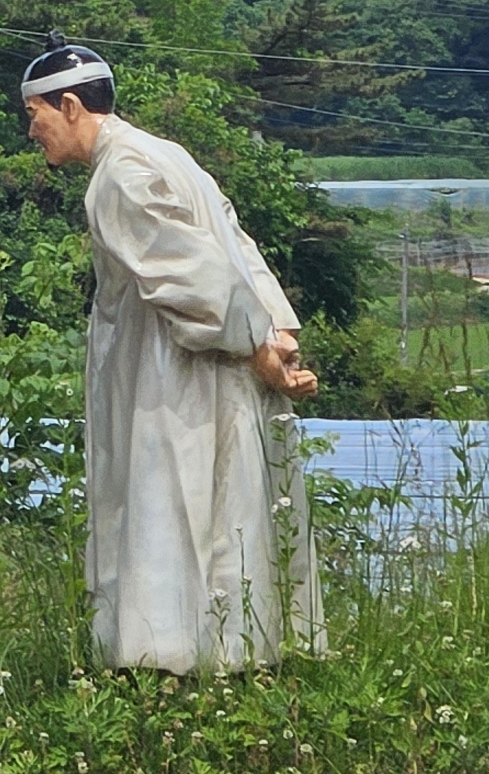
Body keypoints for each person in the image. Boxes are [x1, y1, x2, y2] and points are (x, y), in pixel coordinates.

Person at [19, 42, 326, 675]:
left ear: (70, 105)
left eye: (36, 114)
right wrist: (275, 333)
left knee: (168, 515)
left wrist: (257, 349)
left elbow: (200, 276)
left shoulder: (120, 177)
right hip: (217, 362)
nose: (32, 130)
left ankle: (162, 673)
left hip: (176, 379)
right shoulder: (167, 155)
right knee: (228, 520)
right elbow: (237, 245)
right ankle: (231, 670)